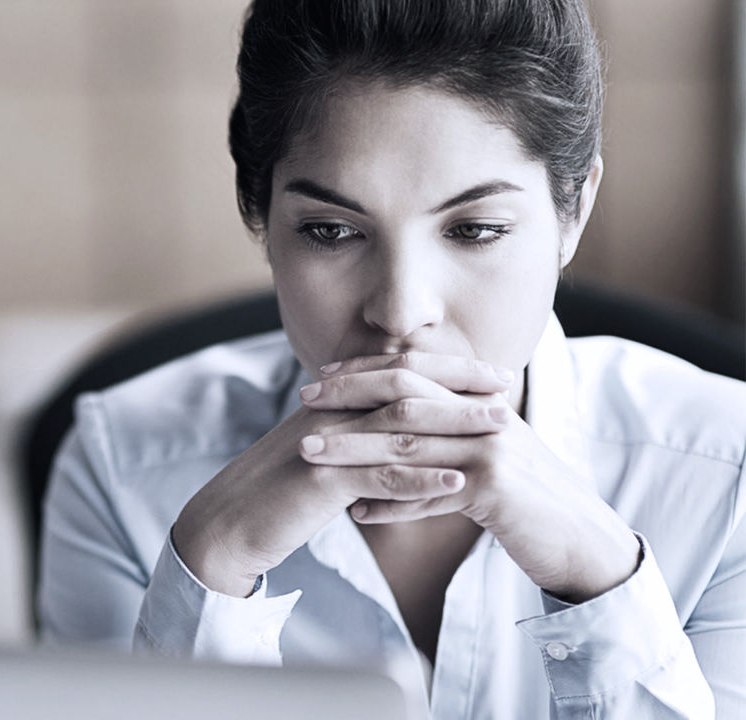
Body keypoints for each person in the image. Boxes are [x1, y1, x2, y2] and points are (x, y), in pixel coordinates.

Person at [38, 0, 746, 717]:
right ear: (261, 219)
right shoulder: (121, 464)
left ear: (574, 212)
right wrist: (211, 569)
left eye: (474, 229)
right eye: (330, 232)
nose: (402, 312)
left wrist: (600, 581)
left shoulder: (728, 477)